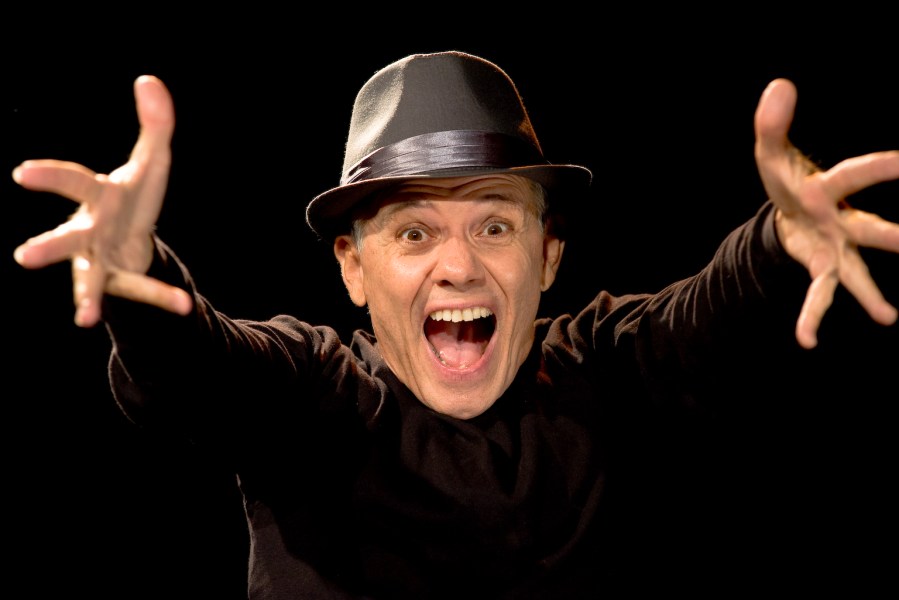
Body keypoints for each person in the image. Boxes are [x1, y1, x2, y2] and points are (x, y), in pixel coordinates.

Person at [11, 50, 899, 598]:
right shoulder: (312, 395)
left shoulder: (604, 368)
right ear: (352, 268)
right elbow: (205, 369)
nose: (460, 266)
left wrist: (779, 244)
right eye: (413, 232)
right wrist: (135, 276)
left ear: (547, 256)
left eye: (494, 226)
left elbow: (707, 317)